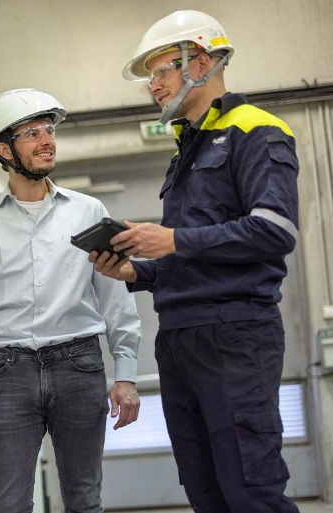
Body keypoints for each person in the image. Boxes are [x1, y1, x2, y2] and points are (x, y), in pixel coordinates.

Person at [91, 10, 301, 513]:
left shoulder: (255, 130)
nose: (154, 86)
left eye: (161, 71)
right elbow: (189, 255)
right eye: (150, 78)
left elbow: (275, 230)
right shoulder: (187, 146)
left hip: (234, 334)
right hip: (179, 338)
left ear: (201, 63)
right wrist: (134, 270)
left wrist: (173, 240)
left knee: (250, 489)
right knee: (205, 491)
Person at [0, 88, 142, 513]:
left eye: (49, 130)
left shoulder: (88, 212)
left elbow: (116, 298)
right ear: (4, 150)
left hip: (79, 366)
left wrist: (126, 374)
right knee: (9, 503)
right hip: (9, 373)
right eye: (32, 133)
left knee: (84, 499)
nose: (47, 140)